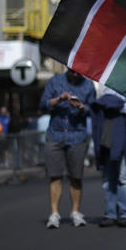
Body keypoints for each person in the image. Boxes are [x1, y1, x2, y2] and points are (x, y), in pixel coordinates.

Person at [39, 68, 95, 228]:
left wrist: (81, 107)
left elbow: (93, 109)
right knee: (54, 176)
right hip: (55, 134)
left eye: (78, 72)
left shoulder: (88, 85)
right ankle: (54, 213)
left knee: (76, 176)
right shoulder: (55, 81)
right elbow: (43, 104)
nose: (75, 75)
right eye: (72, 72)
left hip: (77, 135)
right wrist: (58, 99)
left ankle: (75, 212)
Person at [92, 88, 126, 227]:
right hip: (108, 133)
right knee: (108, 176)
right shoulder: (106, 89)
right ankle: (110, 213)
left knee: (123, 176)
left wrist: (118, 106)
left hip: (125, 135)